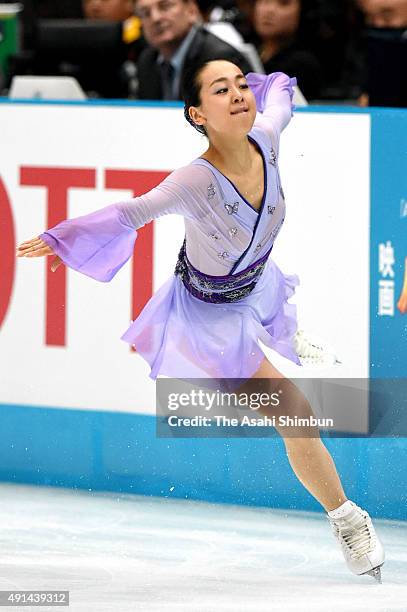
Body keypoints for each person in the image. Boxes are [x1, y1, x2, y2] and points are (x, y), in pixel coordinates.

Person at [16, 59, 385, 581]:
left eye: (240, 84)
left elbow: (280, 90)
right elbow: (130, 214)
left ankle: (281, 328)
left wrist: (274, 80)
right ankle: (347, 518)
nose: (238, 94)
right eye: (220, 89)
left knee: (287, 372)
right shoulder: (194, 180)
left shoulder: (268, 134)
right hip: (211, 320)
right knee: (296, 413)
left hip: (257, 282)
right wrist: (62, 237)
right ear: (197, 114)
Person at [134, 0, 252, 99]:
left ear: (191, 11)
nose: (155, 18)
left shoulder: (219, 59)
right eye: (145, 13)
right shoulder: (147, 61)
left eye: (165, 6)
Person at [252, 0, 322, 100]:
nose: (269, 10)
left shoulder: (302, 64)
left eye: (283, 3)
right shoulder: (247, 53)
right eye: (265, 1)